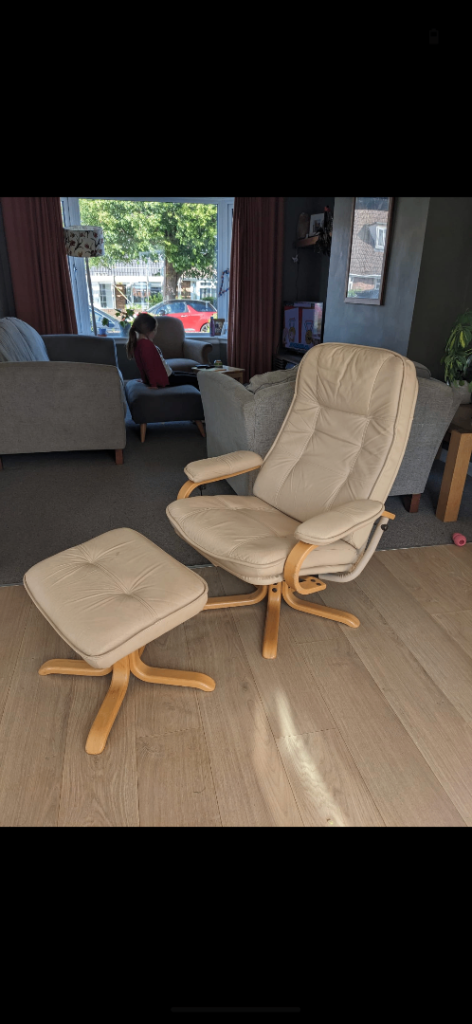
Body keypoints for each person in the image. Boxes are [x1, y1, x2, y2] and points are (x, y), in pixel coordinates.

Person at [126, 312, 198, 388]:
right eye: (155, 330)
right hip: (167, 378)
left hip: (167, 374)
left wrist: (145, 380)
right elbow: (148, 366)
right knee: (197, 380)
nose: (155, 333)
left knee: (194, 376)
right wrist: (153, 384)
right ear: (149, 331)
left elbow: (141, 365)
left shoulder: (138, 343)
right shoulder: (146, 345)